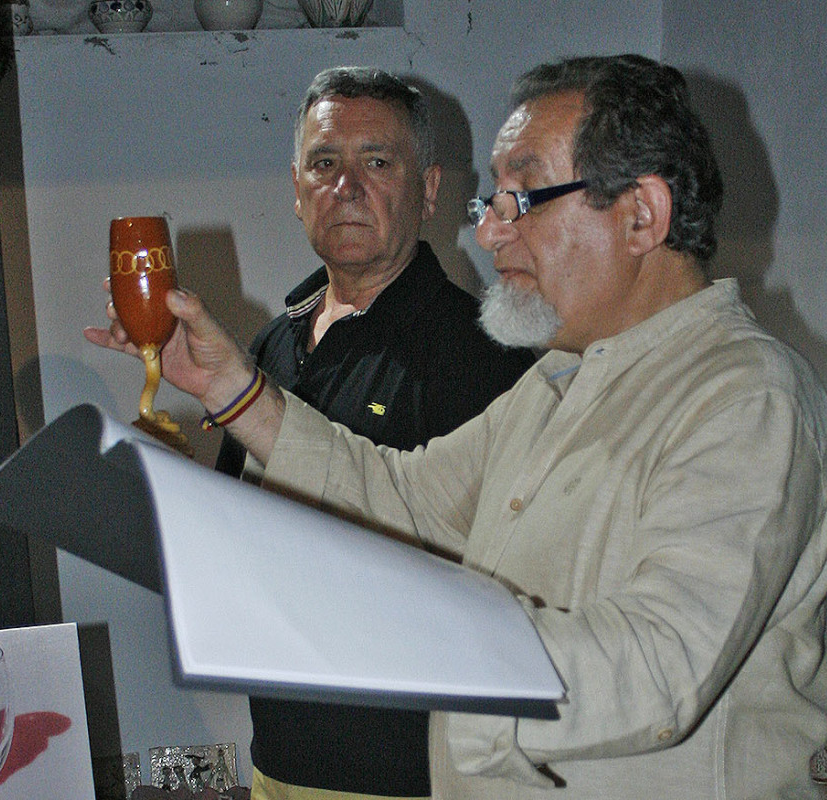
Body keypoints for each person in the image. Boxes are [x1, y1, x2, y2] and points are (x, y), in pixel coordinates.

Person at [87, 54, 827, 799]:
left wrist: (422, 650)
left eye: (523, 199)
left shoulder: (743, 395)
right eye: (494, 201)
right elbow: (404, 496)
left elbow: (659, 666)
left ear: (640, 215)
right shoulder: (563, 381)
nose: (488, 233)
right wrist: (230, 387)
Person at [212, 67, 535, 800]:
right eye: (324, 163)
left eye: (376, 161)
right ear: (296, 189)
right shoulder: (268, 346)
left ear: (426, 191)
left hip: (406, 767)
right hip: (278, 751)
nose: (345, 186)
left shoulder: (484, 355)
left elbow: (495, 581)